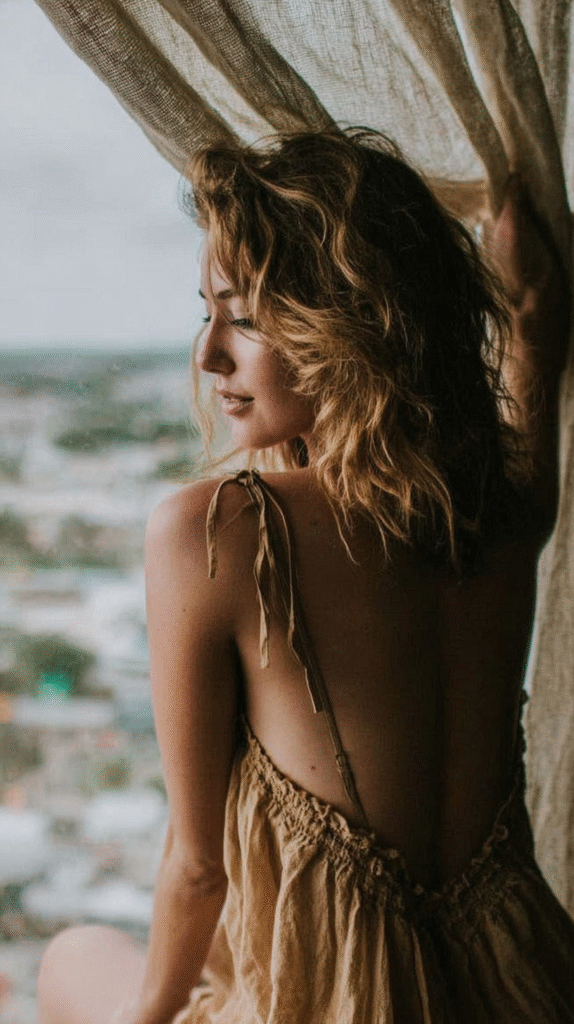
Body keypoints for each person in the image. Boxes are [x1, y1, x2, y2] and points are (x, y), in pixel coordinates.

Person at [37, 128, 574, 1024]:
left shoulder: (218, 531)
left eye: (245, 317)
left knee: (71, 957)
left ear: (352, 325)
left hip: (341, 1003)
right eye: (207, 313)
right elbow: (530, 354)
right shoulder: (502, 504)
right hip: (524, 981)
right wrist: (528, 311)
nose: (209, 357)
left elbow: (198, 867)